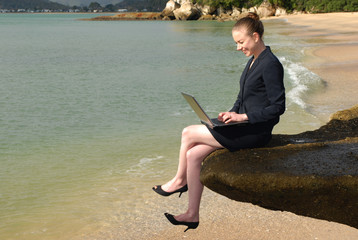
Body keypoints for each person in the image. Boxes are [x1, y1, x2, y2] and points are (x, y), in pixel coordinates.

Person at [152, 12, 285, 232]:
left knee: (187, 133)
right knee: (192, 155)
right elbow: (243, 97)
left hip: (255, 132)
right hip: (242, 126)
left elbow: (278, 107)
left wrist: (243, 117)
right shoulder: (253, 61)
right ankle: (192, 215)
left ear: (255, 36)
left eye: (241, 42)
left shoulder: (270, 64)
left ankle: (178, 181)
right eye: (236, 43)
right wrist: (230, 114)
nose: (238, 47)